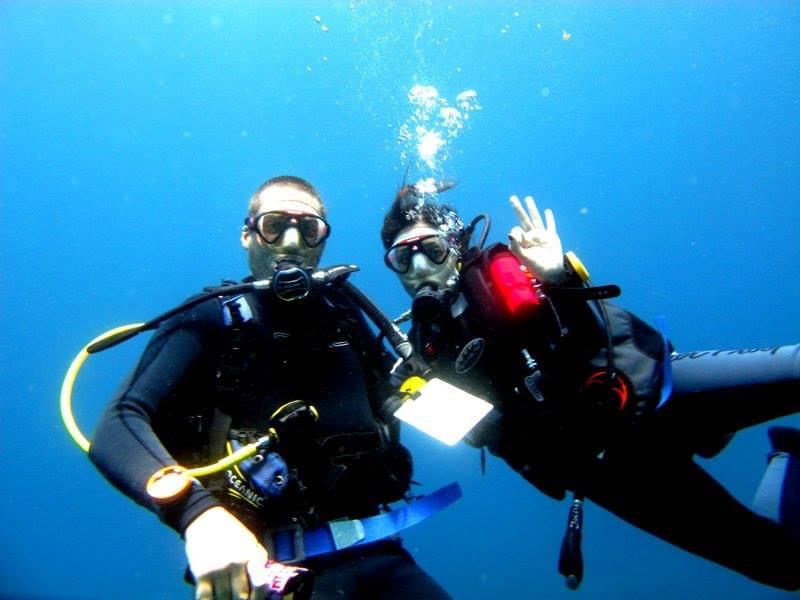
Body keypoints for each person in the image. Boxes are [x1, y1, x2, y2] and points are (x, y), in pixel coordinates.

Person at [380, 180, 800, 591]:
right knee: (777, 564)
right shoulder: (422, 354)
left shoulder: (506, 270)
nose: (419, 269)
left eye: (430, 250)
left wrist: (558, 275)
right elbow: (486, 435)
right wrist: (414, 400)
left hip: (653, 394)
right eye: (403, 259)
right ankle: (787, 455)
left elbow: (593, 334)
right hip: (609, 472)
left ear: (454, 246)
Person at [89, 176, 457, 600]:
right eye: (275, 224)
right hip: (269, 574)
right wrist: (198, 516)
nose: (293, 240)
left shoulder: (347, 316)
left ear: (322, 240)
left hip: (381, 556)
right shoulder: (211, 318)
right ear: (248, 235)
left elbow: (404, 396)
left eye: (309, 228)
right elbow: (118, 424)